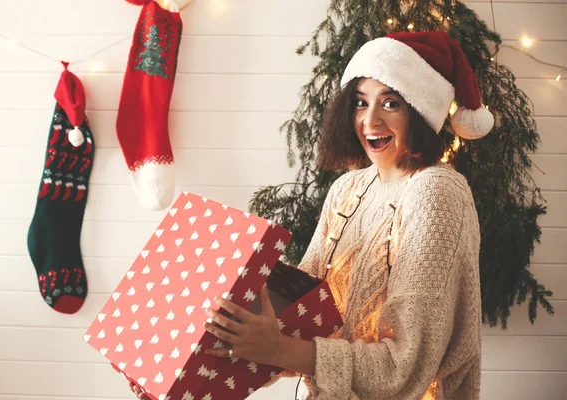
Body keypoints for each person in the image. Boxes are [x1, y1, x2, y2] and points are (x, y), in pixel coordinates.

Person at [129, 30, 493, 400]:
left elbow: (405, 366)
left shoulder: (436, 192)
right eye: (360, 102)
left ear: (419, 109)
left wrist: (278, 349)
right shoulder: (347, 190)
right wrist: (188, 367)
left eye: (391, 103)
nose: (370, 121)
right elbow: (301, 318)